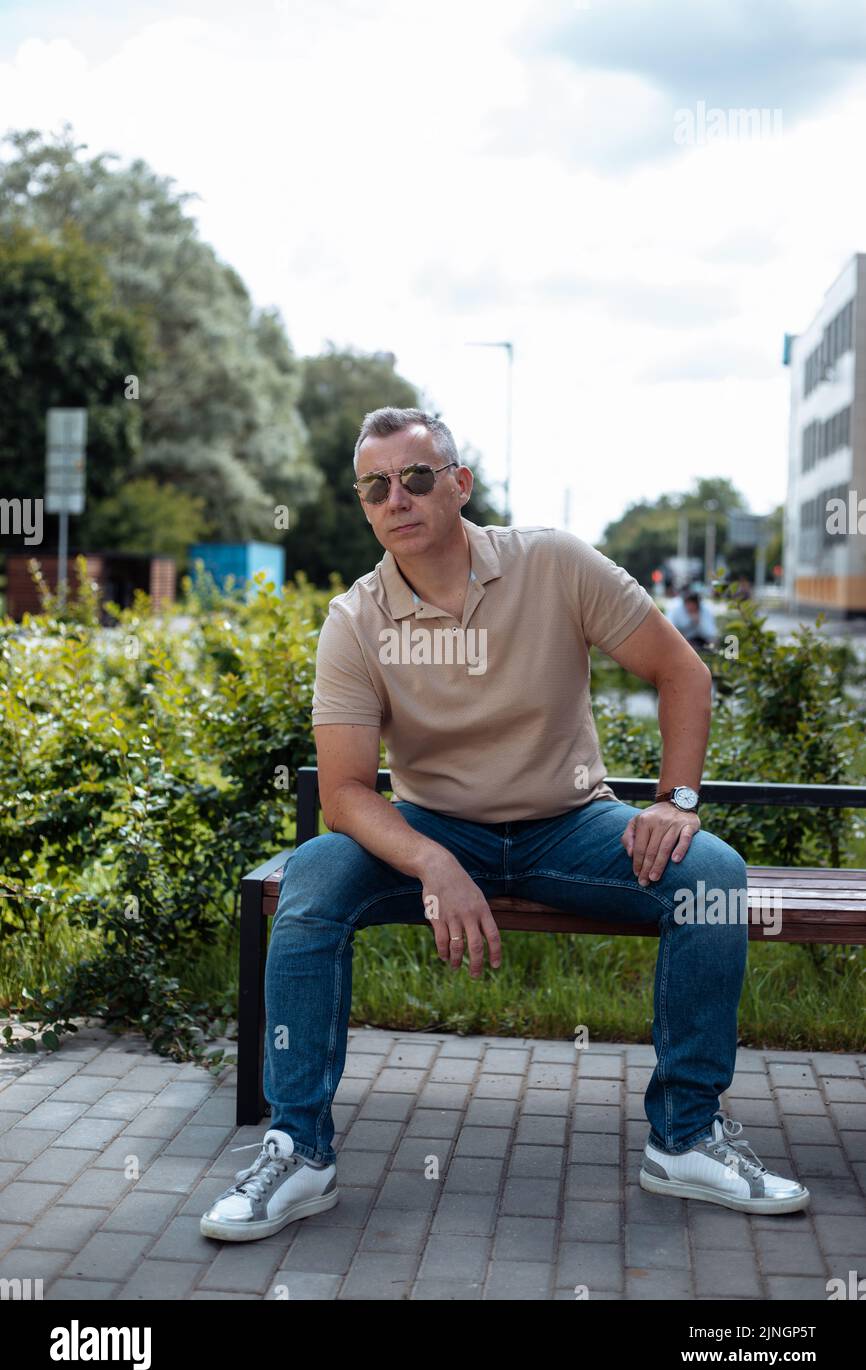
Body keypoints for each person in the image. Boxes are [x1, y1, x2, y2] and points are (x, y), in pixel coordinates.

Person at [200, 407, 809, 1242]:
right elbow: (344, 794)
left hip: (571, 826)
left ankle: (686, 1137)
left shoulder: (552, 563)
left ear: (459, 484)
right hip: (432, 830)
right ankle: (298, 1151)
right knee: (309, 879)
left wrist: (676, 800)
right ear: (364, 504)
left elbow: (683, 672)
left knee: (712, 878)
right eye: (376, 485)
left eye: (417, 477)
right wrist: (433, 864)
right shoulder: (355, 620)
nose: (397, 497)